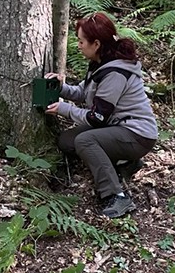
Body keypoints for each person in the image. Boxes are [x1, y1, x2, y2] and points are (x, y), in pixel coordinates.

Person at [45, 12, 158, 218]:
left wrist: (64, 109)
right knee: (67, 140)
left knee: (85, 141)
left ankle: (117, 196)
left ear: (96, 44)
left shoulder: (115, 72)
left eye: (81, 41)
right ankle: (125, 163)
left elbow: (97, 118)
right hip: (117, 127)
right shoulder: (101, 63)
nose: (78, 45)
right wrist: (60, 88)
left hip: (137, 135)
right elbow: (83, 93)